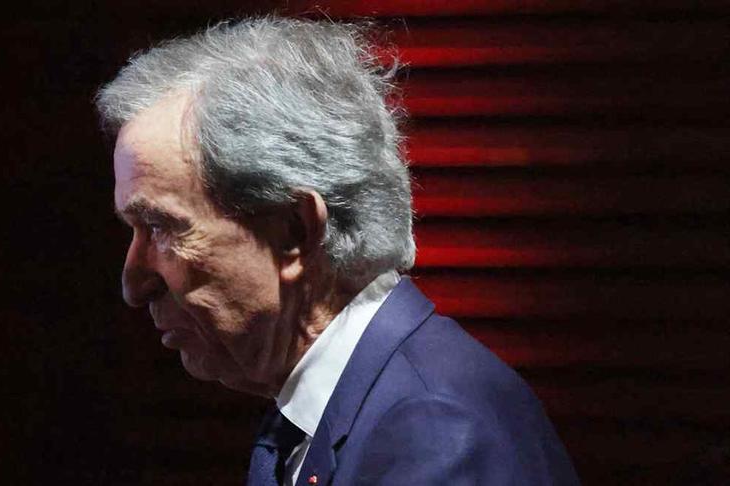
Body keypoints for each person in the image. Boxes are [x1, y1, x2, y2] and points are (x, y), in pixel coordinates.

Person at [96, 16, 579, 486]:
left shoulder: (433, 434)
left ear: (295, 232)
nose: (133, 284)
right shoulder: (333, 409)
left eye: (161, 228)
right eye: (134, 230)